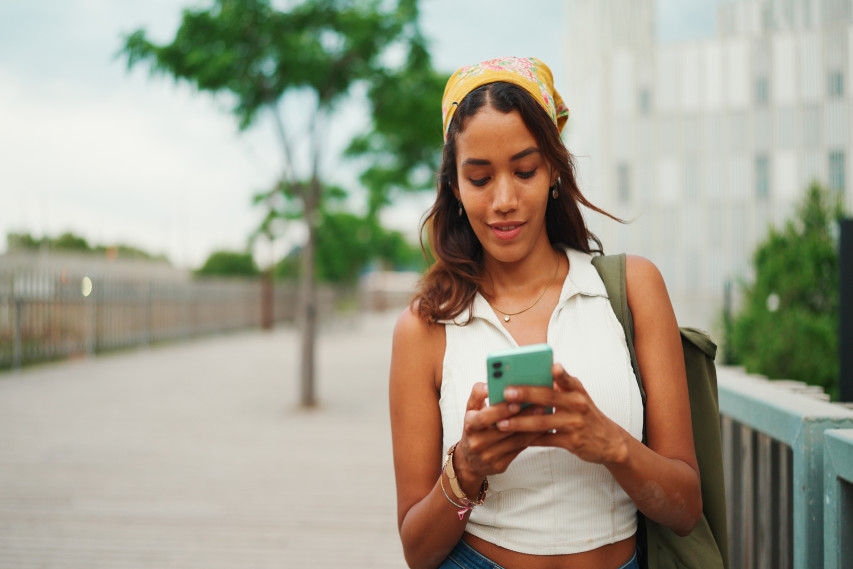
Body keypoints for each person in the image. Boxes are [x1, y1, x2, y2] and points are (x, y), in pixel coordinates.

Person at [389, 56, 701, 569]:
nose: (504, 200)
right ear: (454, 187)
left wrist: (609, 444)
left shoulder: (633, 290)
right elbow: (418, 551)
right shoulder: (424, 330)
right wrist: (465, 470)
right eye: (480, 178)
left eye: (525, 170)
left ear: (554, 168)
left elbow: (686, 509)